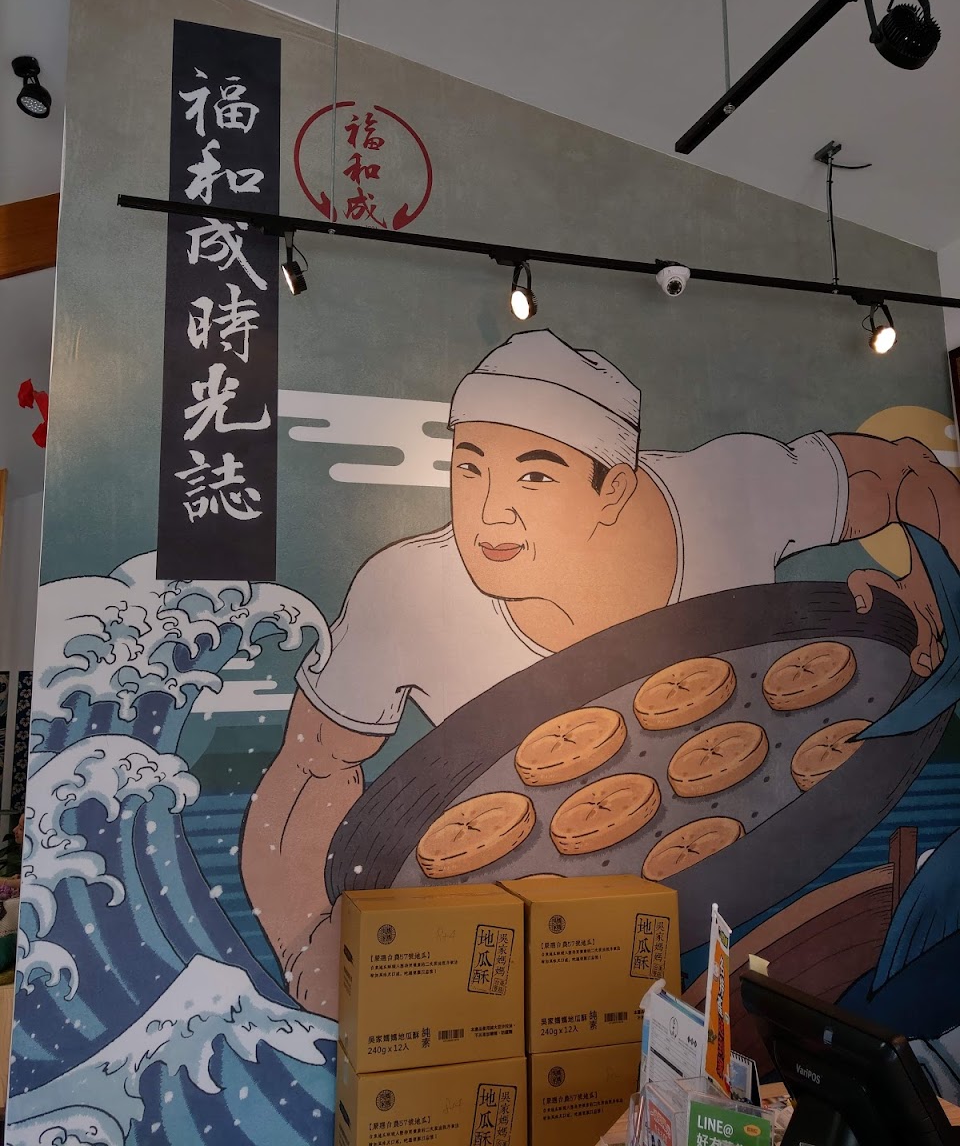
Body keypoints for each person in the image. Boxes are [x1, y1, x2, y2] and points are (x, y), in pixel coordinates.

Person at [240, 329, 960, 1014]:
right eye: (469, 466)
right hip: (541, 938)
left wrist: (935, 594)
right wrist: (307, 941)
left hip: (750, 874)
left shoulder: (727, 491)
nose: (489, 512)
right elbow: (311, 767)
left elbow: (907, 473)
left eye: (534, 475)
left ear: (613, 489)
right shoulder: (402, 589)